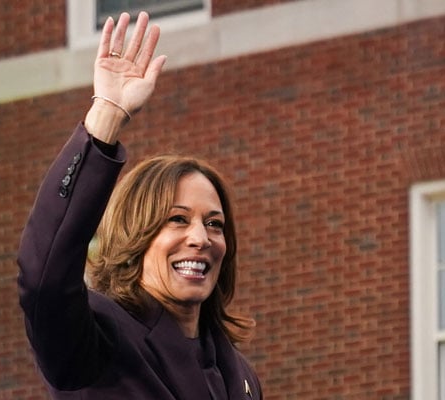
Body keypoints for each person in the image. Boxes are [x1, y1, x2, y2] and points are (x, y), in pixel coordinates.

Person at [17, 11, 262, 399]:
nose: (200, 238)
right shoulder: (96, 341)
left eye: (214, 224)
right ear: (136, 237)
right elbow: (43, 277)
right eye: (177, 220)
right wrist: (107, 116)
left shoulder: (241, 378)